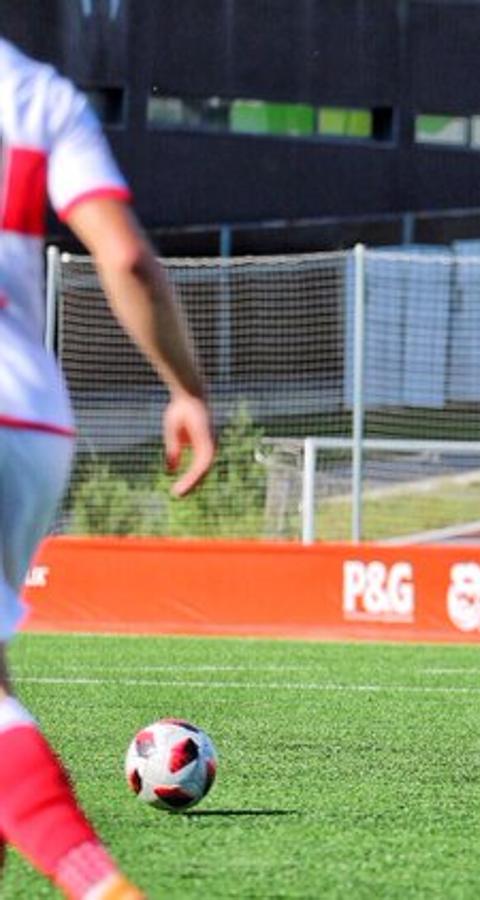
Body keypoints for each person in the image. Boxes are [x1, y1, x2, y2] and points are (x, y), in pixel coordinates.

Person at [1, 38, 214, 899]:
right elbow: (127, 259)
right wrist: (186, 389)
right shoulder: (39, 94)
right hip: (31, 420)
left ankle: (95, 881)